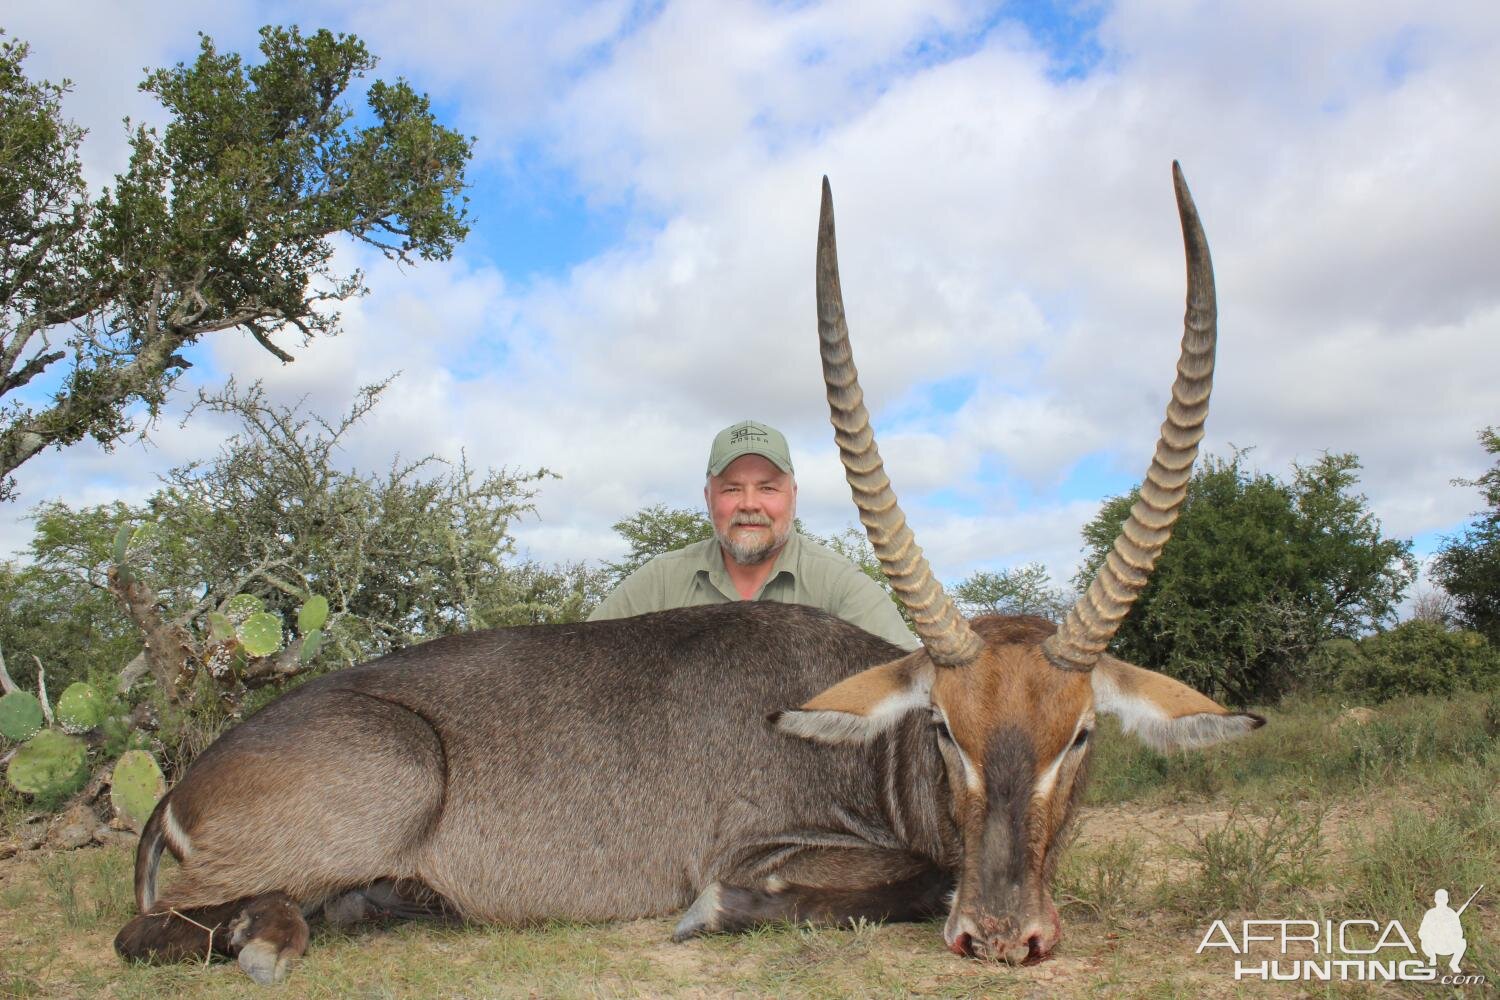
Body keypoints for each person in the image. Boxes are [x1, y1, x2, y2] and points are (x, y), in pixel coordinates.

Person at [588, 419, 919, 651]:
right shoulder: (661, 580)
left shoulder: (839, 586)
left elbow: (906, 672)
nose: (749, 504)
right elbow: (585, 657)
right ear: (708, 498)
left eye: (768, 488)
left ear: (793, 496)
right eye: (732, 488)